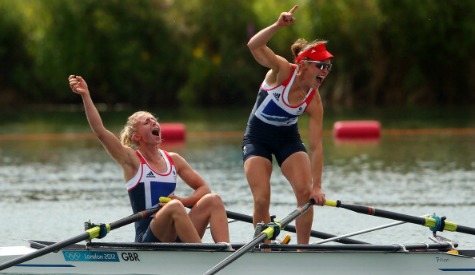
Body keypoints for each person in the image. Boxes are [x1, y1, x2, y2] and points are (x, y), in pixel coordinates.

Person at [68, 75, 229, 244]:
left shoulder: (173, 160)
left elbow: (203, 188)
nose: (153, 122)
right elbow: (100, 131)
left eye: (154, 120)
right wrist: (85, 95)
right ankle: (202, 257)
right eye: (146, 122)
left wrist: (184, 201)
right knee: (174, 208)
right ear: (137, 136)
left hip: (177, 230)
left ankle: (226, 252)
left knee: (213, 200)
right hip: (148, 237)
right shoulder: (132, 161)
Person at [242, 5, 330, 244]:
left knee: (305, 193)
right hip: (257, 139)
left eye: (328, 66)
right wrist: (278, 25)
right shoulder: (282, 71)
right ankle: (265, 250)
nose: (325, 71)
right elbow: (254, 46)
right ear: (303, 65)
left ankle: (302, 253)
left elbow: (317, 147)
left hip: (287, 140)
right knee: (261, 199)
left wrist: (318, 187)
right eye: (320, 65)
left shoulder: (315, 100)